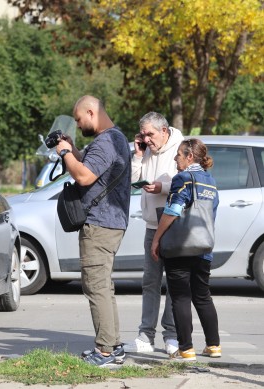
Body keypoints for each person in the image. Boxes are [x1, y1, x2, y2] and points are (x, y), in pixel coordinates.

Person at [56, 95, 131, 367]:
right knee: (104, 288)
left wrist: (65, 154)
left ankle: (106, 352)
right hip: (109, 222)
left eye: (78, 119)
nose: (78, 124)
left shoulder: (106, 141)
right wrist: (73, 149)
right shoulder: (113, 139)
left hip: (100, 223)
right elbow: (88, 166)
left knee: (96, 287)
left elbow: (84, 176)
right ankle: (114, 345)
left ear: (91, 112)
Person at [150, 138, 221, 361]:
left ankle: (186, 348)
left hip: (181, 248)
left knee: (180, 297)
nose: (175, 157)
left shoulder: (183, 179)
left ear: (190, 156)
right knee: (202, 296)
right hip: (203, 248)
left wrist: (156, 239)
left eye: (179, 154)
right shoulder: (210, 181)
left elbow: (172, 210)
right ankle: (214, 345)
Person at [125, 112, 184, 356]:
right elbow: (131, 180)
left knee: (173, 282)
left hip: (173, 224)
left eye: (151, 134)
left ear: (164, 130)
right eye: (143, 134)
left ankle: (171, 335)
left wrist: (162, 187)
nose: (147, 139)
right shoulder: (145, 150)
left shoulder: (180, 148)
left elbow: (186, 182)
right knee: (150, 281)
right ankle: (145, 336)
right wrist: (138, 155)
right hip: (151, 224)